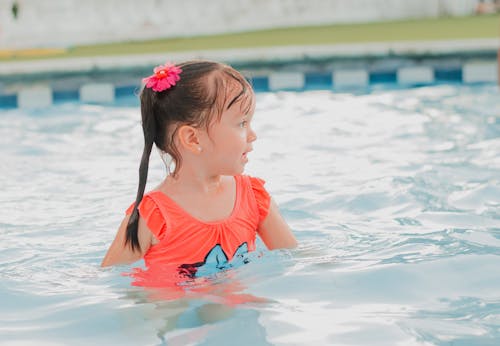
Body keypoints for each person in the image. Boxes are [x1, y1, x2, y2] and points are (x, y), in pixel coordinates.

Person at [101, 60, 297, 283]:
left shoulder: (253, 196)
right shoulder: (152, 216)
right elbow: (109, 280)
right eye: (242, 123)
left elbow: (294, 256)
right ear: (192, 138)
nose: (253, 135)